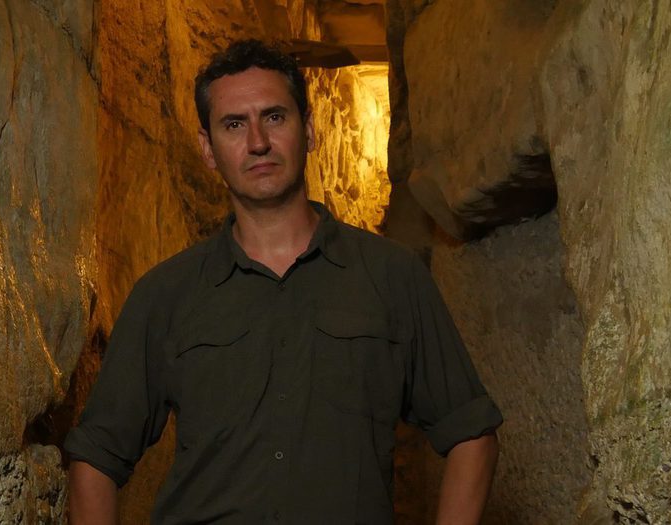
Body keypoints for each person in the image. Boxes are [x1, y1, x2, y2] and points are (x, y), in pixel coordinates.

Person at [64, 38, 502, 524]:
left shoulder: (392, 276)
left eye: (274, 117)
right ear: (208, 149)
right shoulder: (165, 294)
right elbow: (96, 457)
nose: (258, 142)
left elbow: (471, 433)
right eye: (234, 124)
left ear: (309, 130)